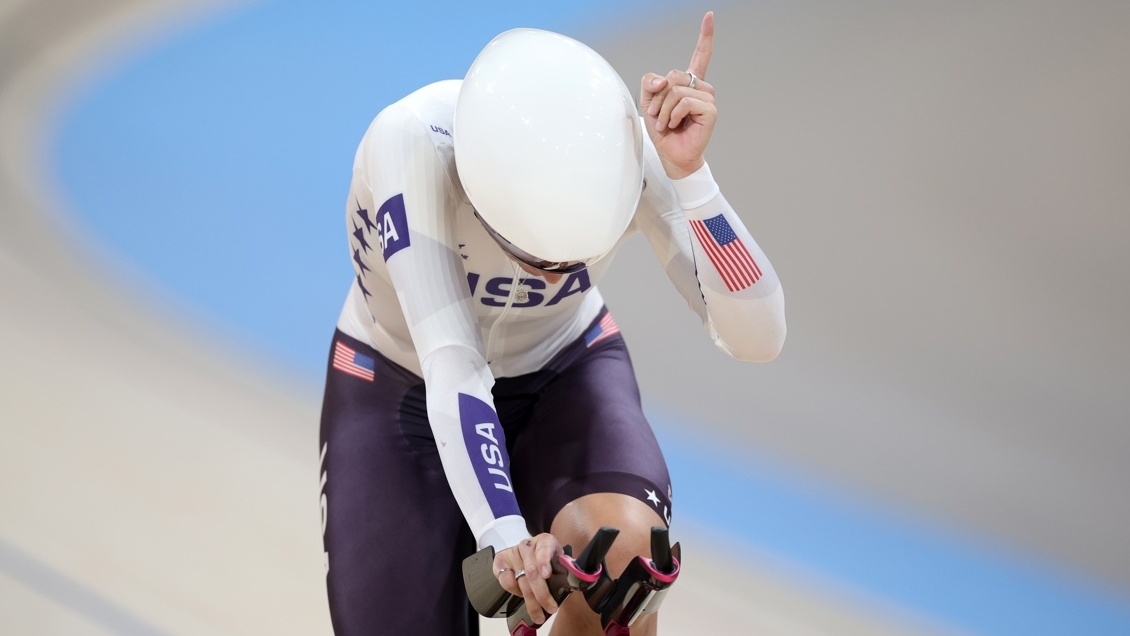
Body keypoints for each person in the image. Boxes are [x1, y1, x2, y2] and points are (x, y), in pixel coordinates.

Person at [318, 11, 785, 635]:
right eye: (530, 257)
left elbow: (759, 337)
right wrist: (505, 536)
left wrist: (689, 176)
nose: (547, 276)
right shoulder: (409, 142)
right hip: (401, 381)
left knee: (624, 563)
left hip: (562, 368)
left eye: (572, 260)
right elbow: (453, 362)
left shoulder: (621, 145)